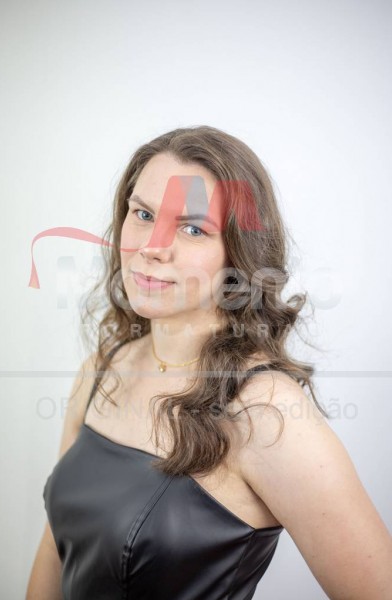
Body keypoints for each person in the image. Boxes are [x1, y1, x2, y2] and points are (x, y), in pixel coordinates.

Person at [26, 126, 392, 599]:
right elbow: (54, 547)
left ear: (238, 256)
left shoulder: (267, 412)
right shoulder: (102, 368)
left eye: (193, 228)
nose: (152, 246)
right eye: (143, 214)